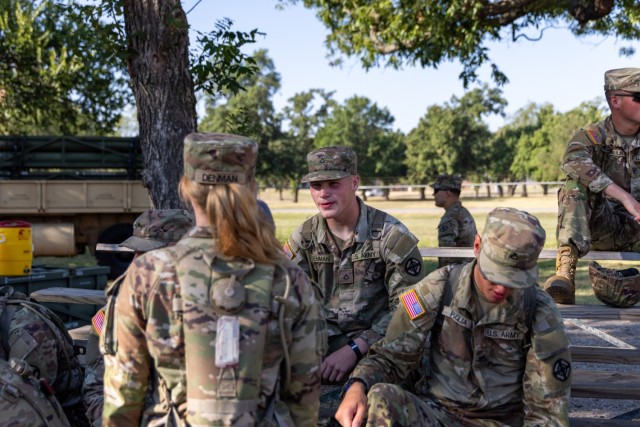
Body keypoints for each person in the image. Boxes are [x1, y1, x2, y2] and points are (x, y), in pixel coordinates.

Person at [102, 132, 322, 426]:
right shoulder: (288, 277)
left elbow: (123, 400)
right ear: (250, 189)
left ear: (187, 189)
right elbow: (303, 400)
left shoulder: (147, 274)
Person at [336, 207, 572, 427]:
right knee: (382, 398)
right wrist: (358, 385)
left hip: (500, 421)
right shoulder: (437, 287)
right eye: (494, 274)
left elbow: (548, 409)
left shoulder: (540, 310)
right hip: (439, 415)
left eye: (513, 280)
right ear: (477, 246)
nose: (501, 288)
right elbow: (390, 356)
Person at [285, 146, 426, 384]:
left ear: (354, 182)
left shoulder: (391, 237)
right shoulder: (304, 239)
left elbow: (412, 309)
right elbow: (288, 302)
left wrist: (356, 347)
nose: (323, 194)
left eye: (333, 184)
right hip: (320, 346)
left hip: (379, 347)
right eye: (316, 186)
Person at [82, 208, 194, 426]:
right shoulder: (110, 316)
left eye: (148, 254)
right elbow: (96, 389)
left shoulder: (215, 309)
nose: (136, 262)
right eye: (135, 252)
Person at [544, 67, 640, 305]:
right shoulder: (593, 136)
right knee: (575, 183)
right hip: (603, 225)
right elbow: (572, 161)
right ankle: (565, 272)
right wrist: (625, 198)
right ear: (615, 100)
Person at [432, 174, 477, 268]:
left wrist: (443, 277)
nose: (433, 194)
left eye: (436, 190)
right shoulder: (463, 212)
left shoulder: (450, 218)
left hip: (456, 274)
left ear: (447, 193)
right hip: (467, 271)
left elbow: (446, 254)